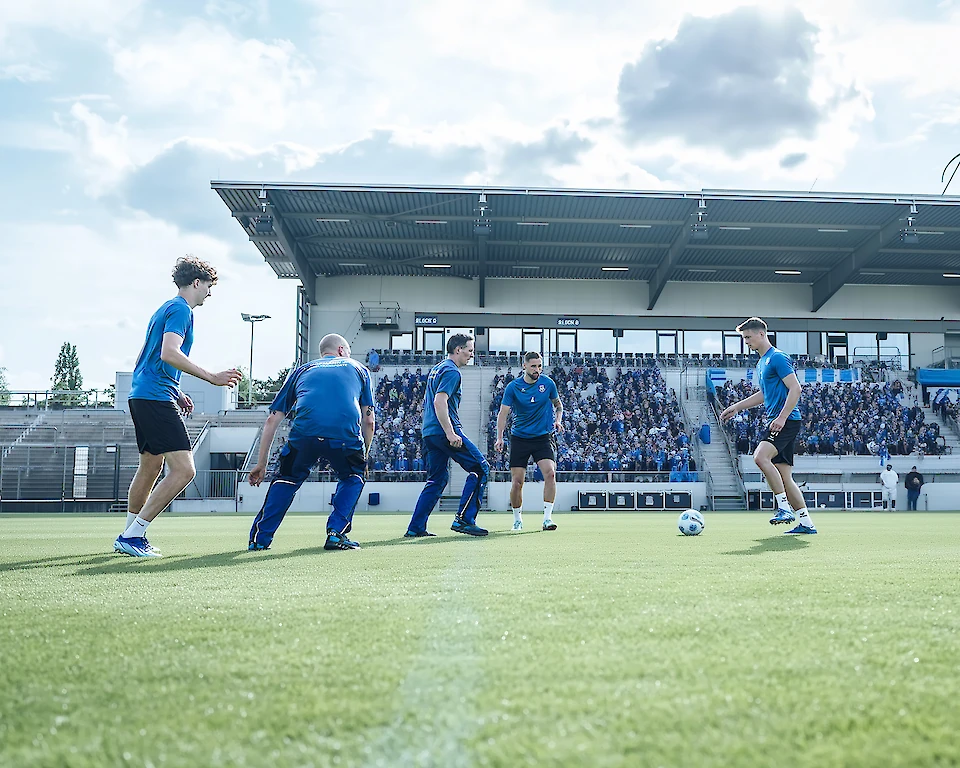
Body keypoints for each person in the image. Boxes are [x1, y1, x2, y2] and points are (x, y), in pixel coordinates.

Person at [114, 256, 242, 558]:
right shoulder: (181, 310)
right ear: (196, 283)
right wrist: (211, 377)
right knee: (185, 469)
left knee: (151, 466)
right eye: (208, 286)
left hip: (143, 395)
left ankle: (129, 534)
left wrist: (177, 390)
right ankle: (133, 535)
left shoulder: (164, 308)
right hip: (154, 398)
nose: (210, 293)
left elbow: (143, 360)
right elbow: (169, 352)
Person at [246, 334, 375, 551]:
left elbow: (272, 419)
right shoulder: (359, 369)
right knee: (353, 477)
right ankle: (336, 534)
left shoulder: (302, 370)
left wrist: (261, 463)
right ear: (342, 351)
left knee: (286, 480)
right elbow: (369, 420)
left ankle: (260, 539)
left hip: (304, 435)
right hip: (344, 437)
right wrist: (364, 458)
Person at [720, 317, 817, 534]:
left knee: (760, 457)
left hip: (787, 420)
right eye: (744, 338)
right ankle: (807, 523)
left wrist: (782, 418)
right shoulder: (762, 362)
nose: (746, 342)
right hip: (782, 420)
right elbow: (764, 394)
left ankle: (784, 508)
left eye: (748, 337)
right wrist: (737, 407)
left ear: (761, 334)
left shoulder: (778, 358)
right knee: (785, 476)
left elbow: (796, 388)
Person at [406, 334, 489, 537]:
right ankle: (464, 519)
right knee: (480, 468)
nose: (472, 354)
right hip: (444, 430)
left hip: (429, 433)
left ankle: (415, 527)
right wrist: (450, 432)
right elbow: (439, 401)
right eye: (470, 350)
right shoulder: (452, 372)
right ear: (458, 349)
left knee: (437, 479)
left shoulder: (438, 368)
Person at [494, 351, 563, 531]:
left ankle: (547, 518)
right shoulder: (513, 387)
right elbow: (503, 414)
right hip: (520, 438)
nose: (537, 369)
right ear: (524, 365)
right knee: (517, 482)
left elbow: (558, 405)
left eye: (539, 366)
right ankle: (517, 519)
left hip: (542, 437)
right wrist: (499, 437)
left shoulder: (548, 384)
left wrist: (558, 420)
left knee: (550, 473)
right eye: (533, 366)